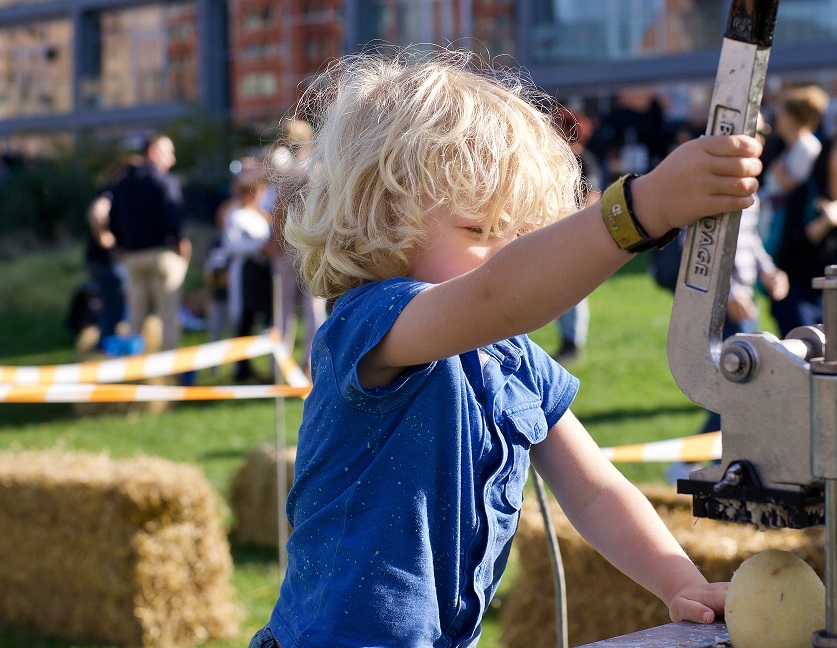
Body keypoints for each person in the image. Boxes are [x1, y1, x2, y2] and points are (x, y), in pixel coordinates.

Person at [249, 48, 762, 648]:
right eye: (479, 230)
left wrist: (678, 580)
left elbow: (597, 491)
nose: (507, 251)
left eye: (521, 234)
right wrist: (642, 210)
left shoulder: (513, 360)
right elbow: (499, 295)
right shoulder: (370, 322)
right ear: (382, 217)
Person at [667, 116, 789, 483]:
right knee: (738, 384)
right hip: (720, 301)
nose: (761, 140)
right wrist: (731, 292)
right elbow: (696, 245)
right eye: (755, 132)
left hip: (743, 295)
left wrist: (769, 271)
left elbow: (749, 241)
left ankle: (707, 458)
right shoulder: (715, 183)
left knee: (739, 383)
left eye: (764, 133)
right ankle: (693, 459)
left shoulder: (746, 183)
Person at [769, 128, 837, 337]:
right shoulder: (805, 193)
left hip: (830, 295)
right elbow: (788, 250)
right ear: (827, 156)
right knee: (804, 363)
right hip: (794, 295)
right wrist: (824, 223)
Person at [109, 134, 191, 351]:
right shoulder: (164, 180)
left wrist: (121, 244)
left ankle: (132, 369)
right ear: (153, 153)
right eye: (168, 153)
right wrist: (179, 239)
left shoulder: (121, 183)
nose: (172, 160)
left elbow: (113, 216)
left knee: (135, 318)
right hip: (162, 254)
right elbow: (172, 213)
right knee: (169, 316)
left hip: (133, 257)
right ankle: (169, 373)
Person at [266, 118, 328, 369]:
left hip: (291, 245)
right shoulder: (319, 168)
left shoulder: (288, 171)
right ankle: (311, 363)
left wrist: (275, 241)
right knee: (312, 308)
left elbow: (279, 211)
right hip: (311, 244)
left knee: (284, 310)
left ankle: (280, 365)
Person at [552, 107, 602, 364]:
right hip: (558, 232)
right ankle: (566, 340)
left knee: (572, 291)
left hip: (573, 232)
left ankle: (572, 342)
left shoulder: (583, 160)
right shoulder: (555, 161)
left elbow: (592, 197)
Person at [221, 164, 275, 382]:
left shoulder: (263, 215)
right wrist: (257, 247)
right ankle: (241, 368)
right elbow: (230, 245)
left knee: (263, 316)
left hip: (262, 272)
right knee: (244, 318)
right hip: (245, 273)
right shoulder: (235, 216)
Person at [759, 85, 829, 249]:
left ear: (791, 117)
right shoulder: (792, 146)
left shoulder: (807, 146)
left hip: (784, 221)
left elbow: (800, 187)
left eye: (782, 113)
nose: (778, 118)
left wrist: (780, 175)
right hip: (771, 217)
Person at [84, 158, 140, 348]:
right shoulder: (112, 190)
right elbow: (96, 214)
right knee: (113, 305)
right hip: (105, 260)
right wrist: (106, 240)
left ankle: (107, 343)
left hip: (101, 260)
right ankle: (105, 345)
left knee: (112, 303)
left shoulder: (113, 190)